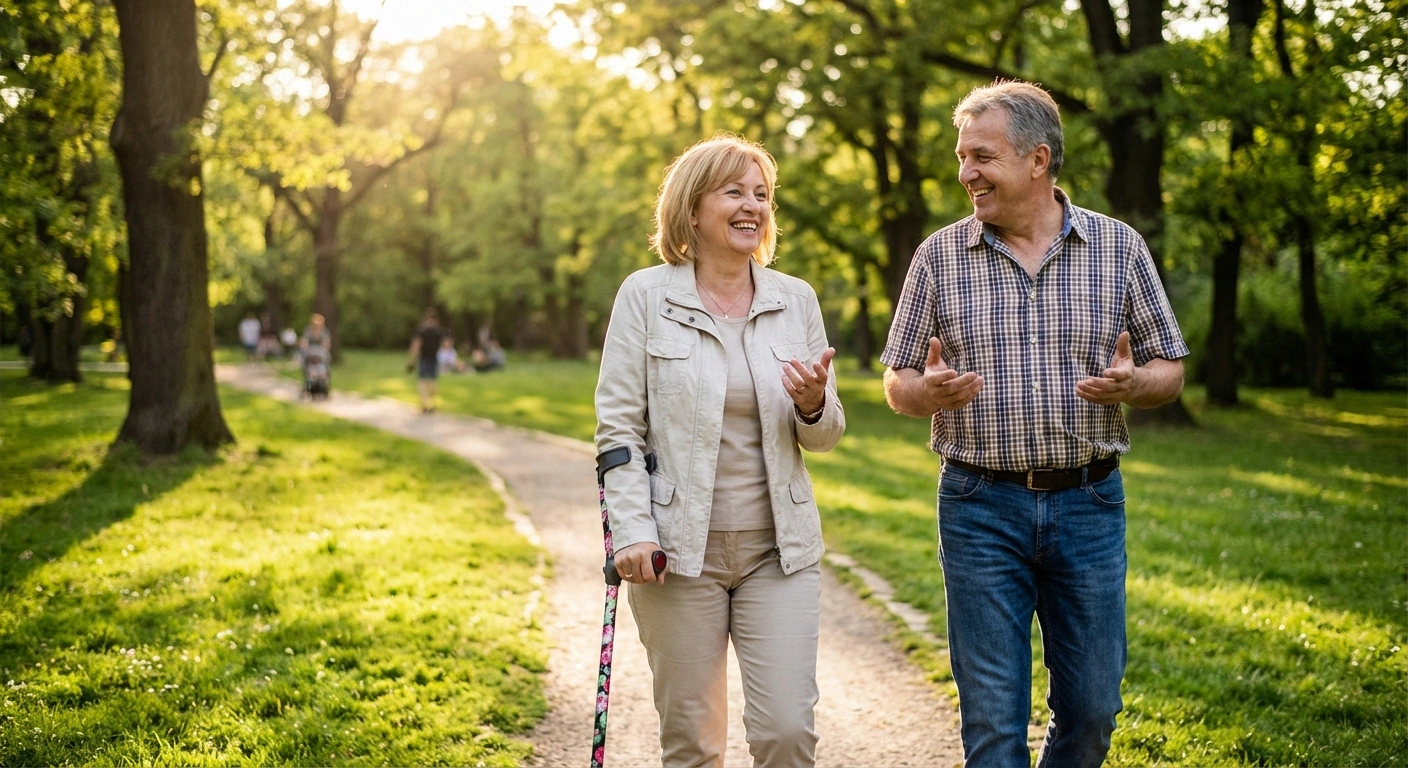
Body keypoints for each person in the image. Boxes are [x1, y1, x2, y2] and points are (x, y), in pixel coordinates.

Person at [879, 81, 1189, 767]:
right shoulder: (939, 256)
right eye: (962, 158)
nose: (966, 174)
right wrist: (925, 394)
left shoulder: (1119, 248)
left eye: (982, 157)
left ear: (1038, 159)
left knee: (1092, 710)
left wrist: (1135, 383)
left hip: (1089, 504)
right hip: (978, 505)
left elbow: (1170, 368)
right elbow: (896, 382)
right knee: (993, 718)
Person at [595, 135, 845, 768]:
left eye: (761, 194)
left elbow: (824, 435)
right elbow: (619, 429)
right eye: (734, 191)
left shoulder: (796, 300)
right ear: (692, 206)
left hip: (777, 552)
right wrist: (630, 532)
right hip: (677, 556)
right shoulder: (646, 296)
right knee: (692, 744)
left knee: (787, 734)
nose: (752, 206)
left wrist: (815, 402)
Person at [406, 308, 446, 413]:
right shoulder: (438, 331)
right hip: (434, 359)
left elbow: (416, 345)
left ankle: (424, 404)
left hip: (424, 359)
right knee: (433, 381)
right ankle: (432, 404)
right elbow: (443, 345)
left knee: (422, 382)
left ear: (425, 318)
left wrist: (411, 361)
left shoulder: (421, 330)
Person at [300, 314, 332, 399]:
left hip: (320, 357)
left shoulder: (324, 332)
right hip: (310, 357)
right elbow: (304, 341)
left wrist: (324, 345)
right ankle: (310, 388)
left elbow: (326, 344)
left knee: (323, 371)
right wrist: (304, 345)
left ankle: (323, 388)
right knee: (310, 372)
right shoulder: (308, 331)